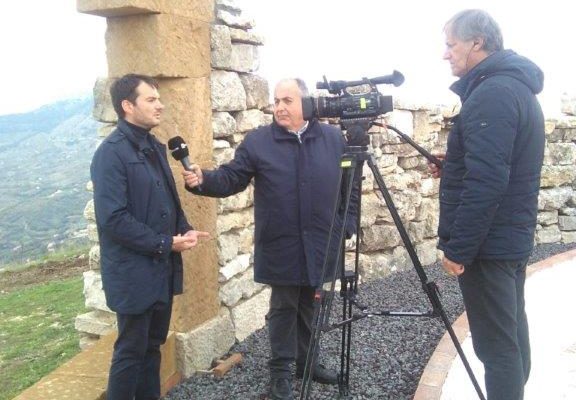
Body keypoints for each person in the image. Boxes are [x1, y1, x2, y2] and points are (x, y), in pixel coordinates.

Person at [182, 78, 357, 400]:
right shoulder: (259, 142)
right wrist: (203, 179)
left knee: (312, 304)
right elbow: (232, 178)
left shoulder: (333, 139)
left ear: (307, 104)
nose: (279, 107)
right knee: (283, 308)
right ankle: (280, 373)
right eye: (276, 101)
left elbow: (352, 184)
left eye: (287, 100)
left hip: (321, 240)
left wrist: (347, 224)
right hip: (281, 243)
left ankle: (308, 363)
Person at [429, 9, 545, 400]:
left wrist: (458, 248)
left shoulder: (491, 93)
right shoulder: (515, 87)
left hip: (489, 245)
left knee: (496, 348)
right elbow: (500, 162)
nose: (446, 54)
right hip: (509, 237)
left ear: (476, 42)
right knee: (510, 335)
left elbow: (488, 181)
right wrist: (455, 164)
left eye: (451, 44)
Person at [90, 73, 209, 400]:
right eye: (151, 99)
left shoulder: (156, 147)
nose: (161, 105)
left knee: (153, 346)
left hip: (160, 269)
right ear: (128, 106)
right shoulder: (110, 154)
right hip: (132, 274)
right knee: (131, 351)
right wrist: (166, 243)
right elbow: (113, 219)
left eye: (159, 99)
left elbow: (168, 201)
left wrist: (183, 228)